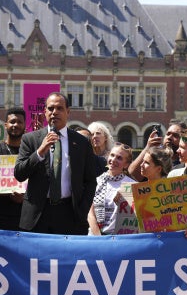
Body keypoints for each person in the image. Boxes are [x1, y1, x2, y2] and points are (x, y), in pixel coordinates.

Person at [14, 92, 97, 235]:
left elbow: (90, 181)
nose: (54, 112)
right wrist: (40, 152)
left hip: (69, 214)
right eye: (51, 108)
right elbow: (19, 174)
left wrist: (82, 210)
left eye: (59, 108)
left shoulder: (81, 142)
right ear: (45, 112)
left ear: (68, 112)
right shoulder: (30, 139)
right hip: (37, 214)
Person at [88, 143, 134, 235]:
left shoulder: (131, 185)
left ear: (126, 164)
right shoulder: (95, 182)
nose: (113, 160)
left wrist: (125, 199)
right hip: (96, 237)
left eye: (119, 158)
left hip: (120, 239)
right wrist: (99, 237)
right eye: (112, 155)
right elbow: (90, 214)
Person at [0, 107, 26, 230]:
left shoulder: (30, 152)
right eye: (12, 122)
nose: (16, 125)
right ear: (6, 125)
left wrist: (23, 198)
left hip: (24, 219)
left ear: (25, 125)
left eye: (20, 122)